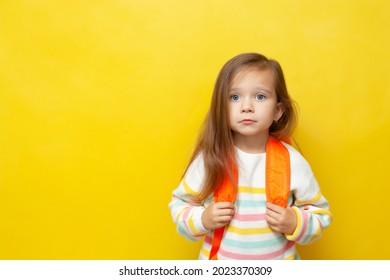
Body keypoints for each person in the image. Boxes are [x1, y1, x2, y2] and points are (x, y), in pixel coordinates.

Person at [168, 53, 332, 260]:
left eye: (260, 97)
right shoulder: (210, 158)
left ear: (278, 111)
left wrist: (296, 222)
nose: (247, 106)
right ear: (221, 107)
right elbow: (180, 206)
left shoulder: (292, 162)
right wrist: (203, 218)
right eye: (234, 97)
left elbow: (320, 215)